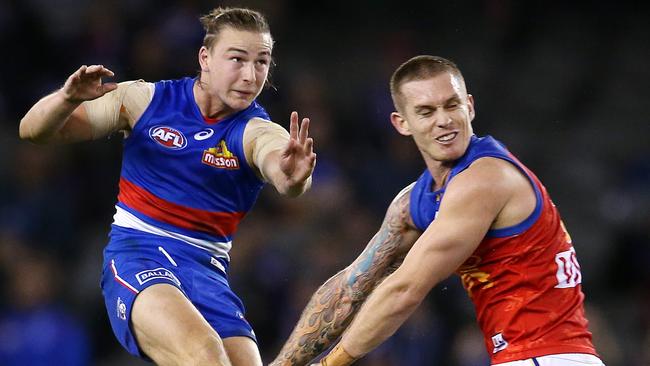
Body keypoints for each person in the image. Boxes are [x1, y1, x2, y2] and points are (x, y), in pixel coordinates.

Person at [19, 7, 316, 366]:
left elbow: (283, 172)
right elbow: (33, 131)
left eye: (262, 62)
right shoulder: (145, 101)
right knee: (204, 352)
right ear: (205, 58)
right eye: (237, 59)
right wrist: (66, 99)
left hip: (207, 273)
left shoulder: (256, 130)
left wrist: (294, 176)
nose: (250, 75)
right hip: (139, 256)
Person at [270, 55, 604, 366]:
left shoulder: (485, 178)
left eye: (452, 105)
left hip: (547, 357)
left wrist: (330, 363)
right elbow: (349, 286)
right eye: (427, 112)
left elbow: (404, 290)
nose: (444, 121)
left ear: (469, 106)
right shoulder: (414, 201)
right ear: (402, 123)